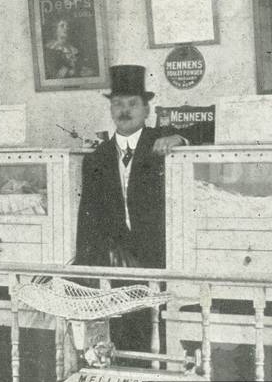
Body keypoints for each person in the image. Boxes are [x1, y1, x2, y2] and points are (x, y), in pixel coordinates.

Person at [74, 64, 211, 353]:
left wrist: (180, 140)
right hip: (114, 264)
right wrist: (86, 269)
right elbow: (87, 218)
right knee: (118, 339)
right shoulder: (96, 158)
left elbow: (209, 131)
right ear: (111, 110)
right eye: (118, 104)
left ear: (147, 110)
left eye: (132, 104)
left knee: (159, 339)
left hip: (160, 259)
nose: (125, 111)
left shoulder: (160, 143)